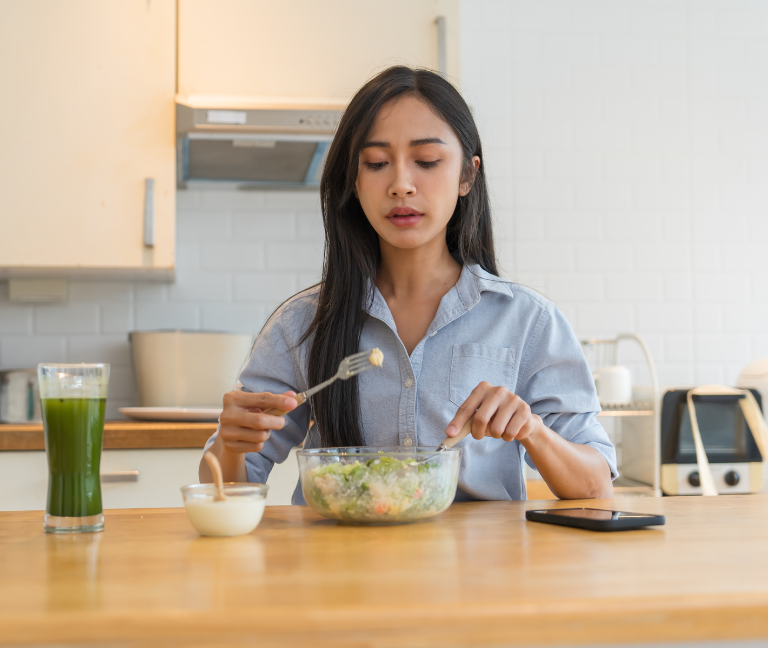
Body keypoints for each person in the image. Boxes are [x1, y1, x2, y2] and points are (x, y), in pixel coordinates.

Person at [200, 66, 616, 502]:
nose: (400, 185)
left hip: (476, 551)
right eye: (377, 164)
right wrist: (232, 443)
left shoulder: (528, 321)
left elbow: (596, 484)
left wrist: (532, 430)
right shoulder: (302, 323)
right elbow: (223, 491)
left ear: (467, 176)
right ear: (354, 181)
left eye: (427, 161)